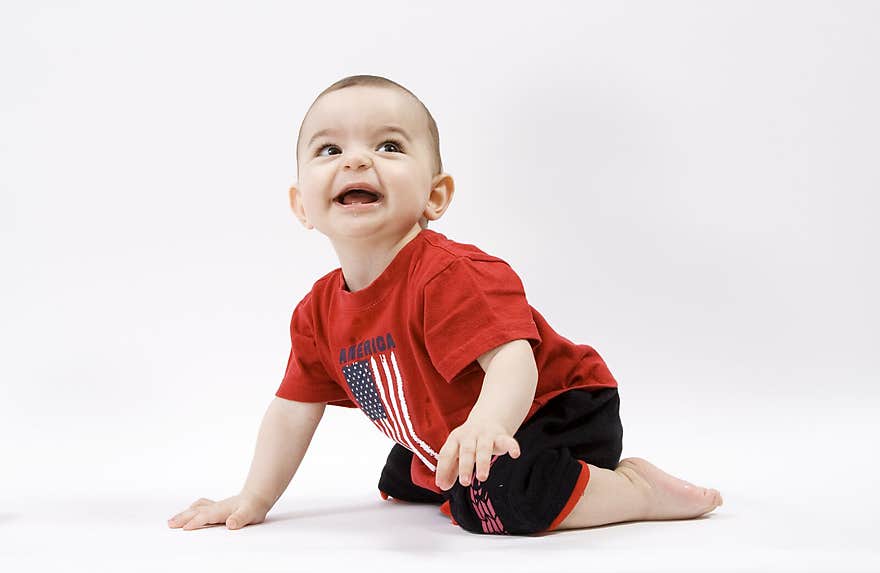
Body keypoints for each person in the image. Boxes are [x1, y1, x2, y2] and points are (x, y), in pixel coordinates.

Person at [168, 74, 722, 536]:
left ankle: (635, 489)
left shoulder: (451, 274)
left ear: (435, 196)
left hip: (554, 406)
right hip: (458, 429)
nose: (356, 161)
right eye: (329, 149)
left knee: (492, 503)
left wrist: (487, 425)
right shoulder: (316, 312)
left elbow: (512, 362)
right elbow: (292, 411)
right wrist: (253, 498)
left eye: (388, 146)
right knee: (402, 481)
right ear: (302, 205)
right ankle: (458, 466)